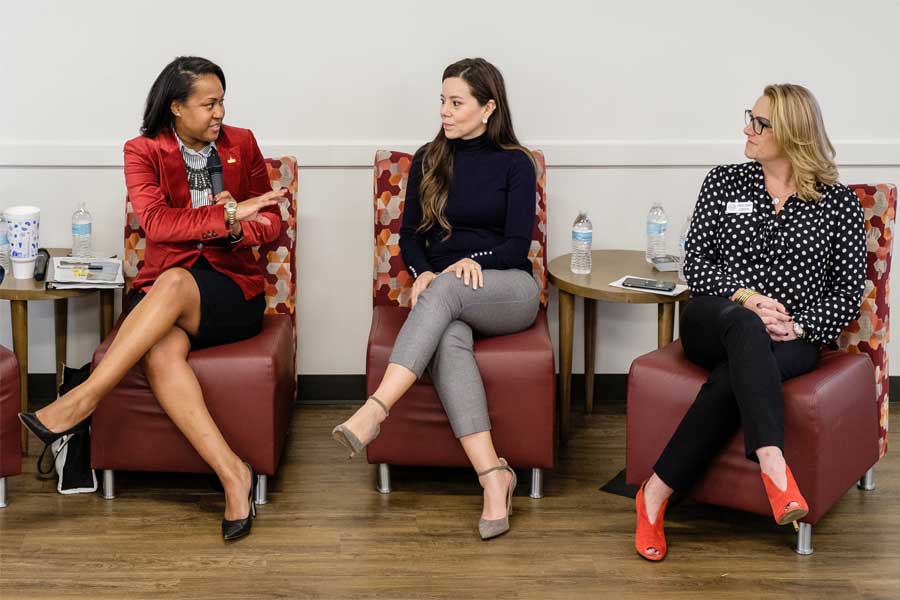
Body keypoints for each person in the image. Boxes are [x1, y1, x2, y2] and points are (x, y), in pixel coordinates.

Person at [19, 56, 285, 541]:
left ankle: (82, 401)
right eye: (209, 104)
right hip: (163, 292)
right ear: (176, 107)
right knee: (161, 350)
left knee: (178, 282)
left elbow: (270, 223)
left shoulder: (240, 144)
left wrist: (237, 226)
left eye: (223, 101)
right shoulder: (142, 150)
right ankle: (233, 475)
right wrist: (224, 217)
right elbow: (158, 224)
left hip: (230, 293)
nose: (220, 113)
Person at [633, 84, 867, 561]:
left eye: (761, 123)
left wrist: (799, 326)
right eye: (750, 117)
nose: (748, 129)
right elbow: (694, 262)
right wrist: (748, 297)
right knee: (744, 325)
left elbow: (847, 295)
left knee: (735, 372)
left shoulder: (837, 205)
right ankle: (773, 464)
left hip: (791, 337)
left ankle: (654, 494)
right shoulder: (724, 182)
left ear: (794, 134)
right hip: (715, 318)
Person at [331, 58, 540, 540]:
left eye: (456, 102)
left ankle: (375, 410)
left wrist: (475, 262)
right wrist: (424, 272)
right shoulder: (430, 156)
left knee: (447, 287)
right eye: (442, 101)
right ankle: (494, 478)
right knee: (448, 341)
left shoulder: (515, 162)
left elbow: (515, 245)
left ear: (488, 107)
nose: (444, 111)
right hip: (447, 294)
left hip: (507, 289)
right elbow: (409, 237)